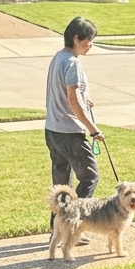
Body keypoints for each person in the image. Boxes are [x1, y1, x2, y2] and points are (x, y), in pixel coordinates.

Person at [45, 16, 103, 238]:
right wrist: (93, 129)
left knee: (61, 184)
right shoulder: (73, 63)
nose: (91, 45)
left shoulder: (58, 58)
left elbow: (71, 94)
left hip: (53, 130)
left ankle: (57, 229)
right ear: (76, 38)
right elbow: (72, 99)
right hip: (70, 132)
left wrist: (83, 98)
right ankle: (72, 225)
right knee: (90, 176)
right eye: (89, 40)